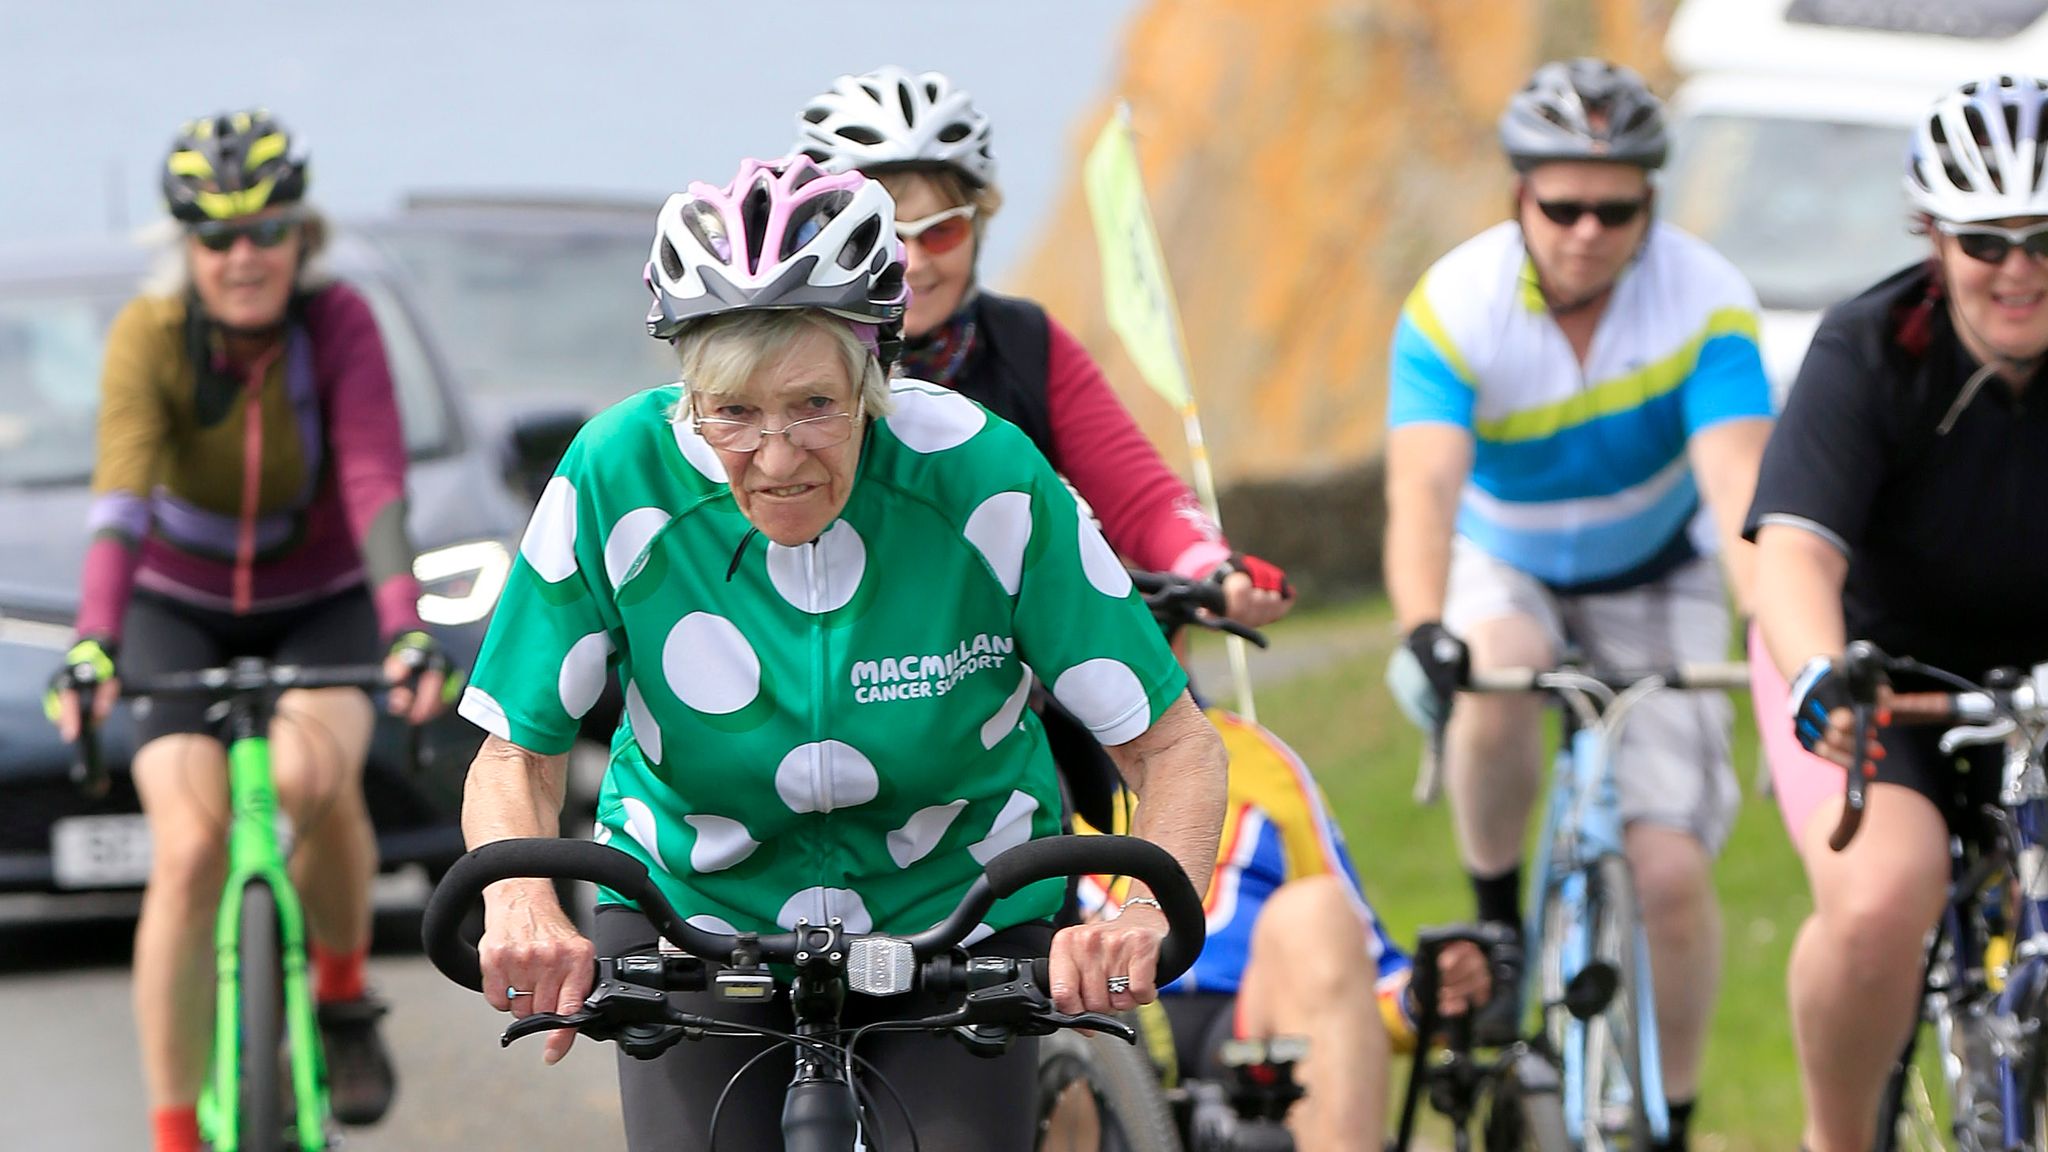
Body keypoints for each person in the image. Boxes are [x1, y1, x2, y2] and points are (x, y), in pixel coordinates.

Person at [455, 155, 1228, 1152]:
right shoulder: (616, 474)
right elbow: (513, 752)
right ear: (687, 393)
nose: (775, 459)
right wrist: (521, 904)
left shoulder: (982, 474)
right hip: (698, 904)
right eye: (732, 413)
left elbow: (1174, 749)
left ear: (875, 372)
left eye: (814, 406)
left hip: (960, 903)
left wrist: (1135, 910)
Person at [1380, 58, 1772, 1149]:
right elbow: (1421, 494)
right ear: (1518, 197)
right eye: (1562, 205)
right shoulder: (1452, 308)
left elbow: (1740, 488)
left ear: (1650, 202)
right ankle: (1498, 925)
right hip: (1506, 561)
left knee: (1671, 873)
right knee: (1494, 671)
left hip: (1658, 570)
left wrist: (1774, 631)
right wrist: (1425, 629)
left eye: (1616, 208)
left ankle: (1669, 1117)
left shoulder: (1705, 302)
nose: (1587, 231)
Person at [47, 109, 451, 1152]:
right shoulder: (150, 334)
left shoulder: (340, 323)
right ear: (186, 245)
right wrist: (93, 638)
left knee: (316, 784)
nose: (243, 256)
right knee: (186, 852)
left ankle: (344, 996)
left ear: (298, 236)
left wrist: (402, 624)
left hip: (319, 601)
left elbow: (373, 478)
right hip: (173, 607)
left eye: (266, 231)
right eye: (218, 236)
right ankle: (177, 1132)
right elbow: (122, 495)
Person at [1747, 74, 2048, 1152]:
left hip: (2038, 677)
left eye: (2043, 239)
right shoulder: (1867, 349)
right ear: (1932, 239)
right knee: (1882, 894)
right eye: (1983, 242)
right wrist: (1816, 671)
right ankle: (1838, 1140)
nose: (2017, 271)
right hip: (1880, 669)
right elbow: (1789, 552)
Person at [790, 66, 1294, 628]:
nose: (918, 262)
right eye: (885, 236)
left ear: (979, 226)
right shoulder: (794, 369)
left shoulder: (1024, 341)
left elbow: (1143, 501)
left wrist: (1214, 567)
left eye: (942, 231)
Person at [1078, 702, 1490, 1151]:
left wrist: (1425, 995)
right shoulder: (1020, 757)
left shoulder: (1260, 759)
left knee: (1317, 911)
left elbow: (1363, 982)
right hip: (1094, 1025)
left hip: (1248, 1026)